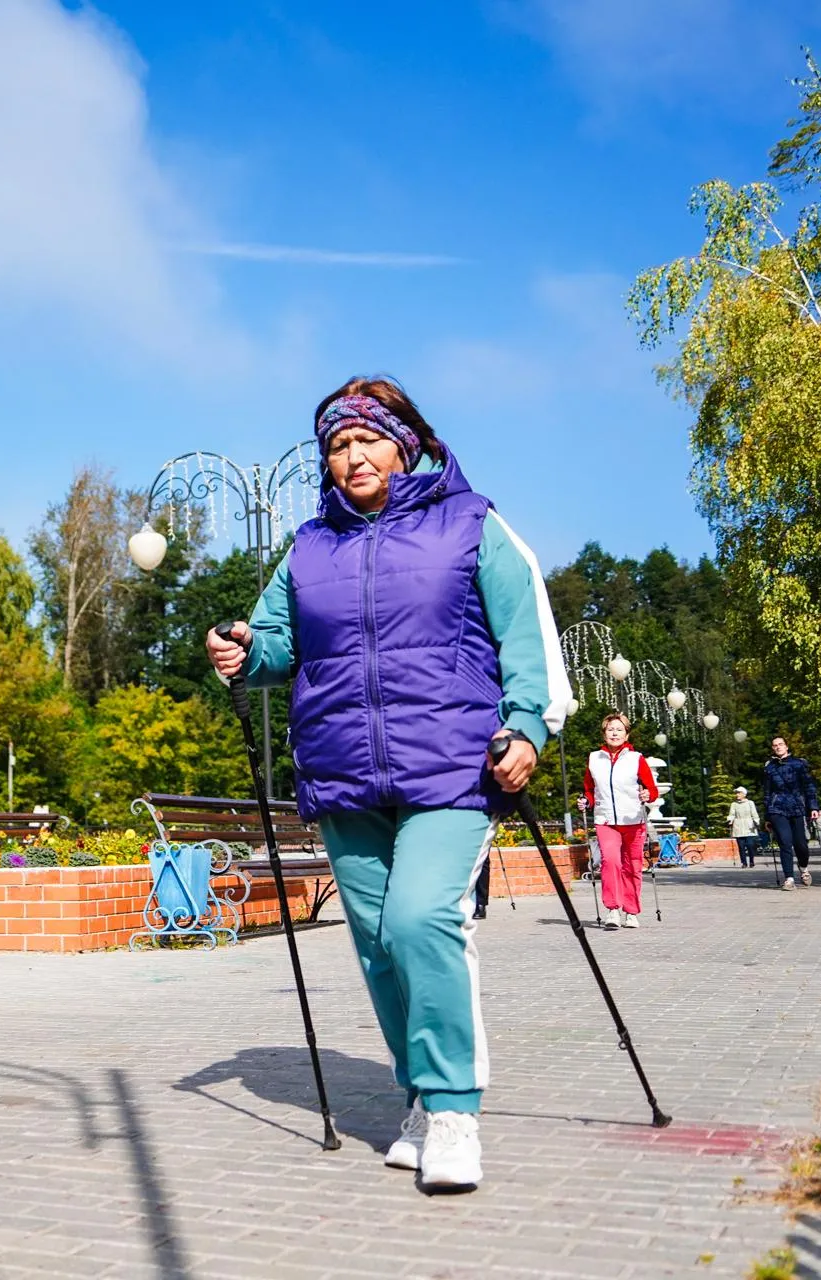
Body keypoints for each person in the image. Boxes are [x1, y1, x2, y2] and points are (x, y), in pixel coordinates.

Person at [205, 374, 569, 1193]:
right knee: (374, 945)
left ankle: (451, 1110)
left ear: (405, 444)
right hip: (343, 771)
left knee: (418, 920)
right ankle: (418, 1096)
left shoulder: (471, 524)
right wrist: (240, 648)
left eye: (367, 438)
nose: (353, 455)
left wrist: (530, 727)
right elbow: (272, 643)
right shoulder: (308, 548)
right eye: (337, 445)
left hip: (451, 762)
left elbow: (523, 637)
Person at [582, 713, 658, 928]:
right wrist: (585, 801)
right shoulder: (594, 758)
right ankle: (613, 910)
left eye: (619, 729)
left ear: (627, 734)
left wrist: (647, 796)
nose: (614, 733)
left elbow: (651, 789)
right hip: (606, 820)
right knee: (610, 862)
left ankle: (631, 912)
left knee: (632, 866)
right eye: (610, 729)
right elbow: (589, 790)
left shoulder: (636, 759)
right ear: (604, 733)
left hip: (633, 820)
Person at [760, 736, 821, 890]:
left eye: (781, 744)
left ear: (787, 747)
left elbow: (809, 786)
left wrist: (813, 807)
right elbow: (766, 792)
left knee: (800, 844)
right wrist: (767, 817)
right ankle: (789, 879)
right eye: (775, 745)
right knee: (785, 843)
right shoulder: (769, 768)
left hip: (796, 807)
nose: (778, 747)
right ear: (773, 749)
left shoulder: (799, 764)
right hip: (777, 808)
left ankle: (803, 867)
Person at [727, 786, 762, 868]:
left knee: (750, 845)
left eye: (739, 793)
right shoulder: (734, 804)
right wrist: (729, 820)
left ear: (744, 794)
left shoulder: (750, 803)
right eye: (736, 793)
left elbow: (754, 814)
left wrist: (757, 821)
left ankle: (751, 861)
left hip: (749, 826)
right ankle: (744, 862)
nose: (737, 794)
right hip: (738, 827)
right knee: (741, 846)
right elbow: (731, 815)